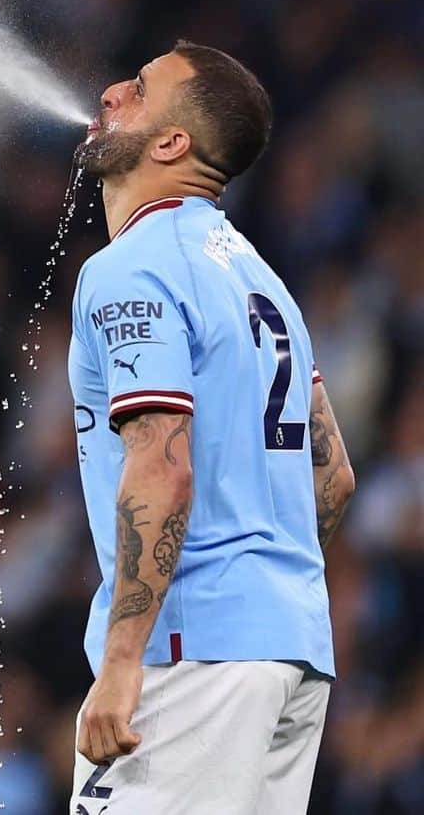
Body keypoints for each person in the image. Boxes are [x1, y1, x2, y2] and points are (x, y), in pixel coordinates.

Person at [67, 41, 355, 814]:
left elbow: (161, 465)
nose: (109, 91)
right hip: (288, 654)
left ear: (171, 143)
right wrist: (264, 594)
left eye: (136, 88)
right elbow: (332, 477)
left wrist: (124, 660)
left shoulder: (131, 268)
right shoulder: (259, 276)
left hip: (189, 655)